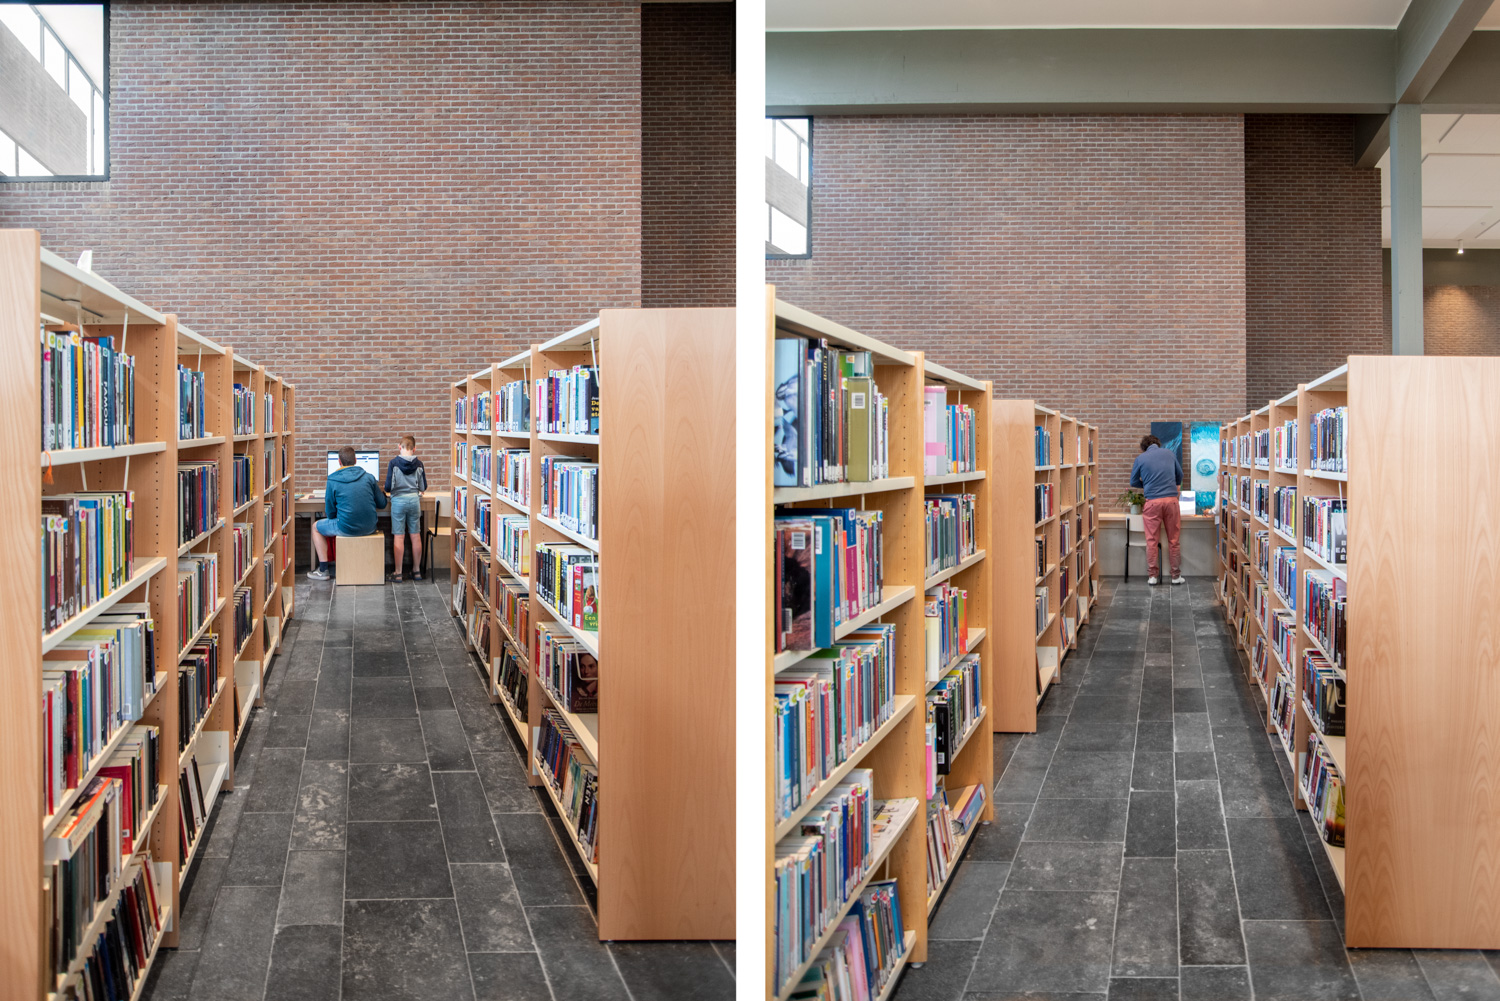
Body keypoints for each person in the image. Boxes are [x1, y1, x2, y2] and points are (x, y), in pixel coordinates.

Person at [308, 445, 387, 581]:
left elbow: (330, 512)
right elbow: (382, 504)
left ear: (339, 462)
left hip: (346, 528)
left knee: (315, 527)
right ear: (355, 460)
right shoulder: (369, 477)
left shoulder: (332, 480)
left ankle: (323, 570)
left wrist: (337, 517)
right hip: (370, 527)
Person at [1130, 434, 1185, 585]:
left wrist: (1147, 485)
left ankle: (1152, 576)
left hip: (1152, 502)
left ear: (1144, 447)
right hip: (1171, 501)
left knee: (1151, 541)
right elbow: (1180, 475)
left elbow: (1133, 481)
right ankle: (1175, 576)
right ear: (1158, 444)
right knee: (1174, 540)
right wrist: (1173, 485)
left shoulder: (1140, 458)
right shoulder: (1170, 454)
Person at [384, 434, 428, 582]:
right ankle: (416, 571)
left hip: (398, 501)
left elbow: (388, 487)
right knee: (415, 535)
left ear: (399, 447)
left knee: (399, 536)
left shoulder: (393, 463)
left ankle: (398, 573)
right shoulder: (419, 464)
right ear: (414, 449)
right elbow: (423, 487)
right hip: (414, 501)